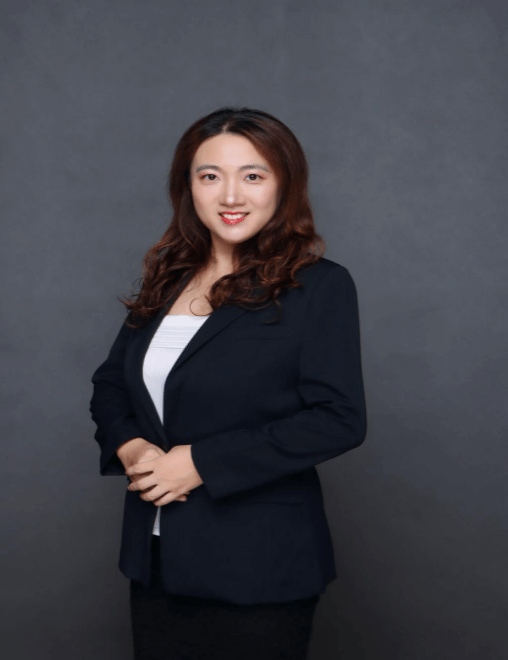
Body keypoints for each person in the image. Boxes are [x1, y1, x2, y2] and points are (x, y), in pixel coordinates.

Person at [89, 106, 367, 660]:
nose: (231, 195)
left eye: (253, 175)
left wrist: (200, 463)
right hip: (156, 560)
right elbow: (111, 384)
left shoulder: (319, 287)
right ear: (188, 186)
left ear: (284, 185)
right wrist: (132, 446)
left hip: (258, 565)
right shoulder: (168, 279)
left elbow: (339, 418)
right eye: (210, 175)